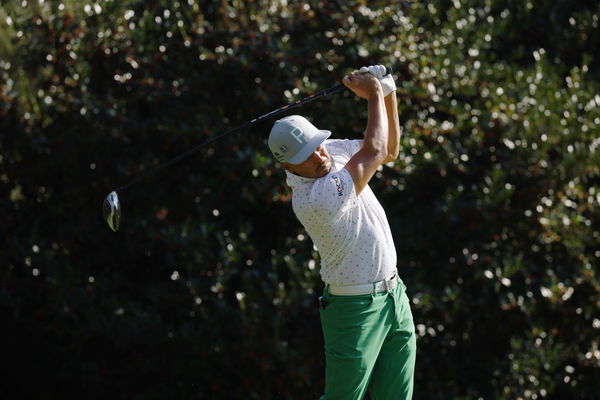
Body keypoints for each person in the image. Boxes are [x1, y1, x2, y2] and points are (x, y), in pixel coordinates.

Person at [267, 65, 416, 400]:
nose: (320, 157)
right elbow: (373, 151)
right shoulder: (313, 200)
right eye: (306, 156)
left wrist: (387, 91)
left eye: (317, 146)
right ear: (288, 167)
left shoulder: (333, 153)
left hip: (395, 296)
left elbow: (387, 151)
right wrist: (373, 94)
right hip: (355, 309)